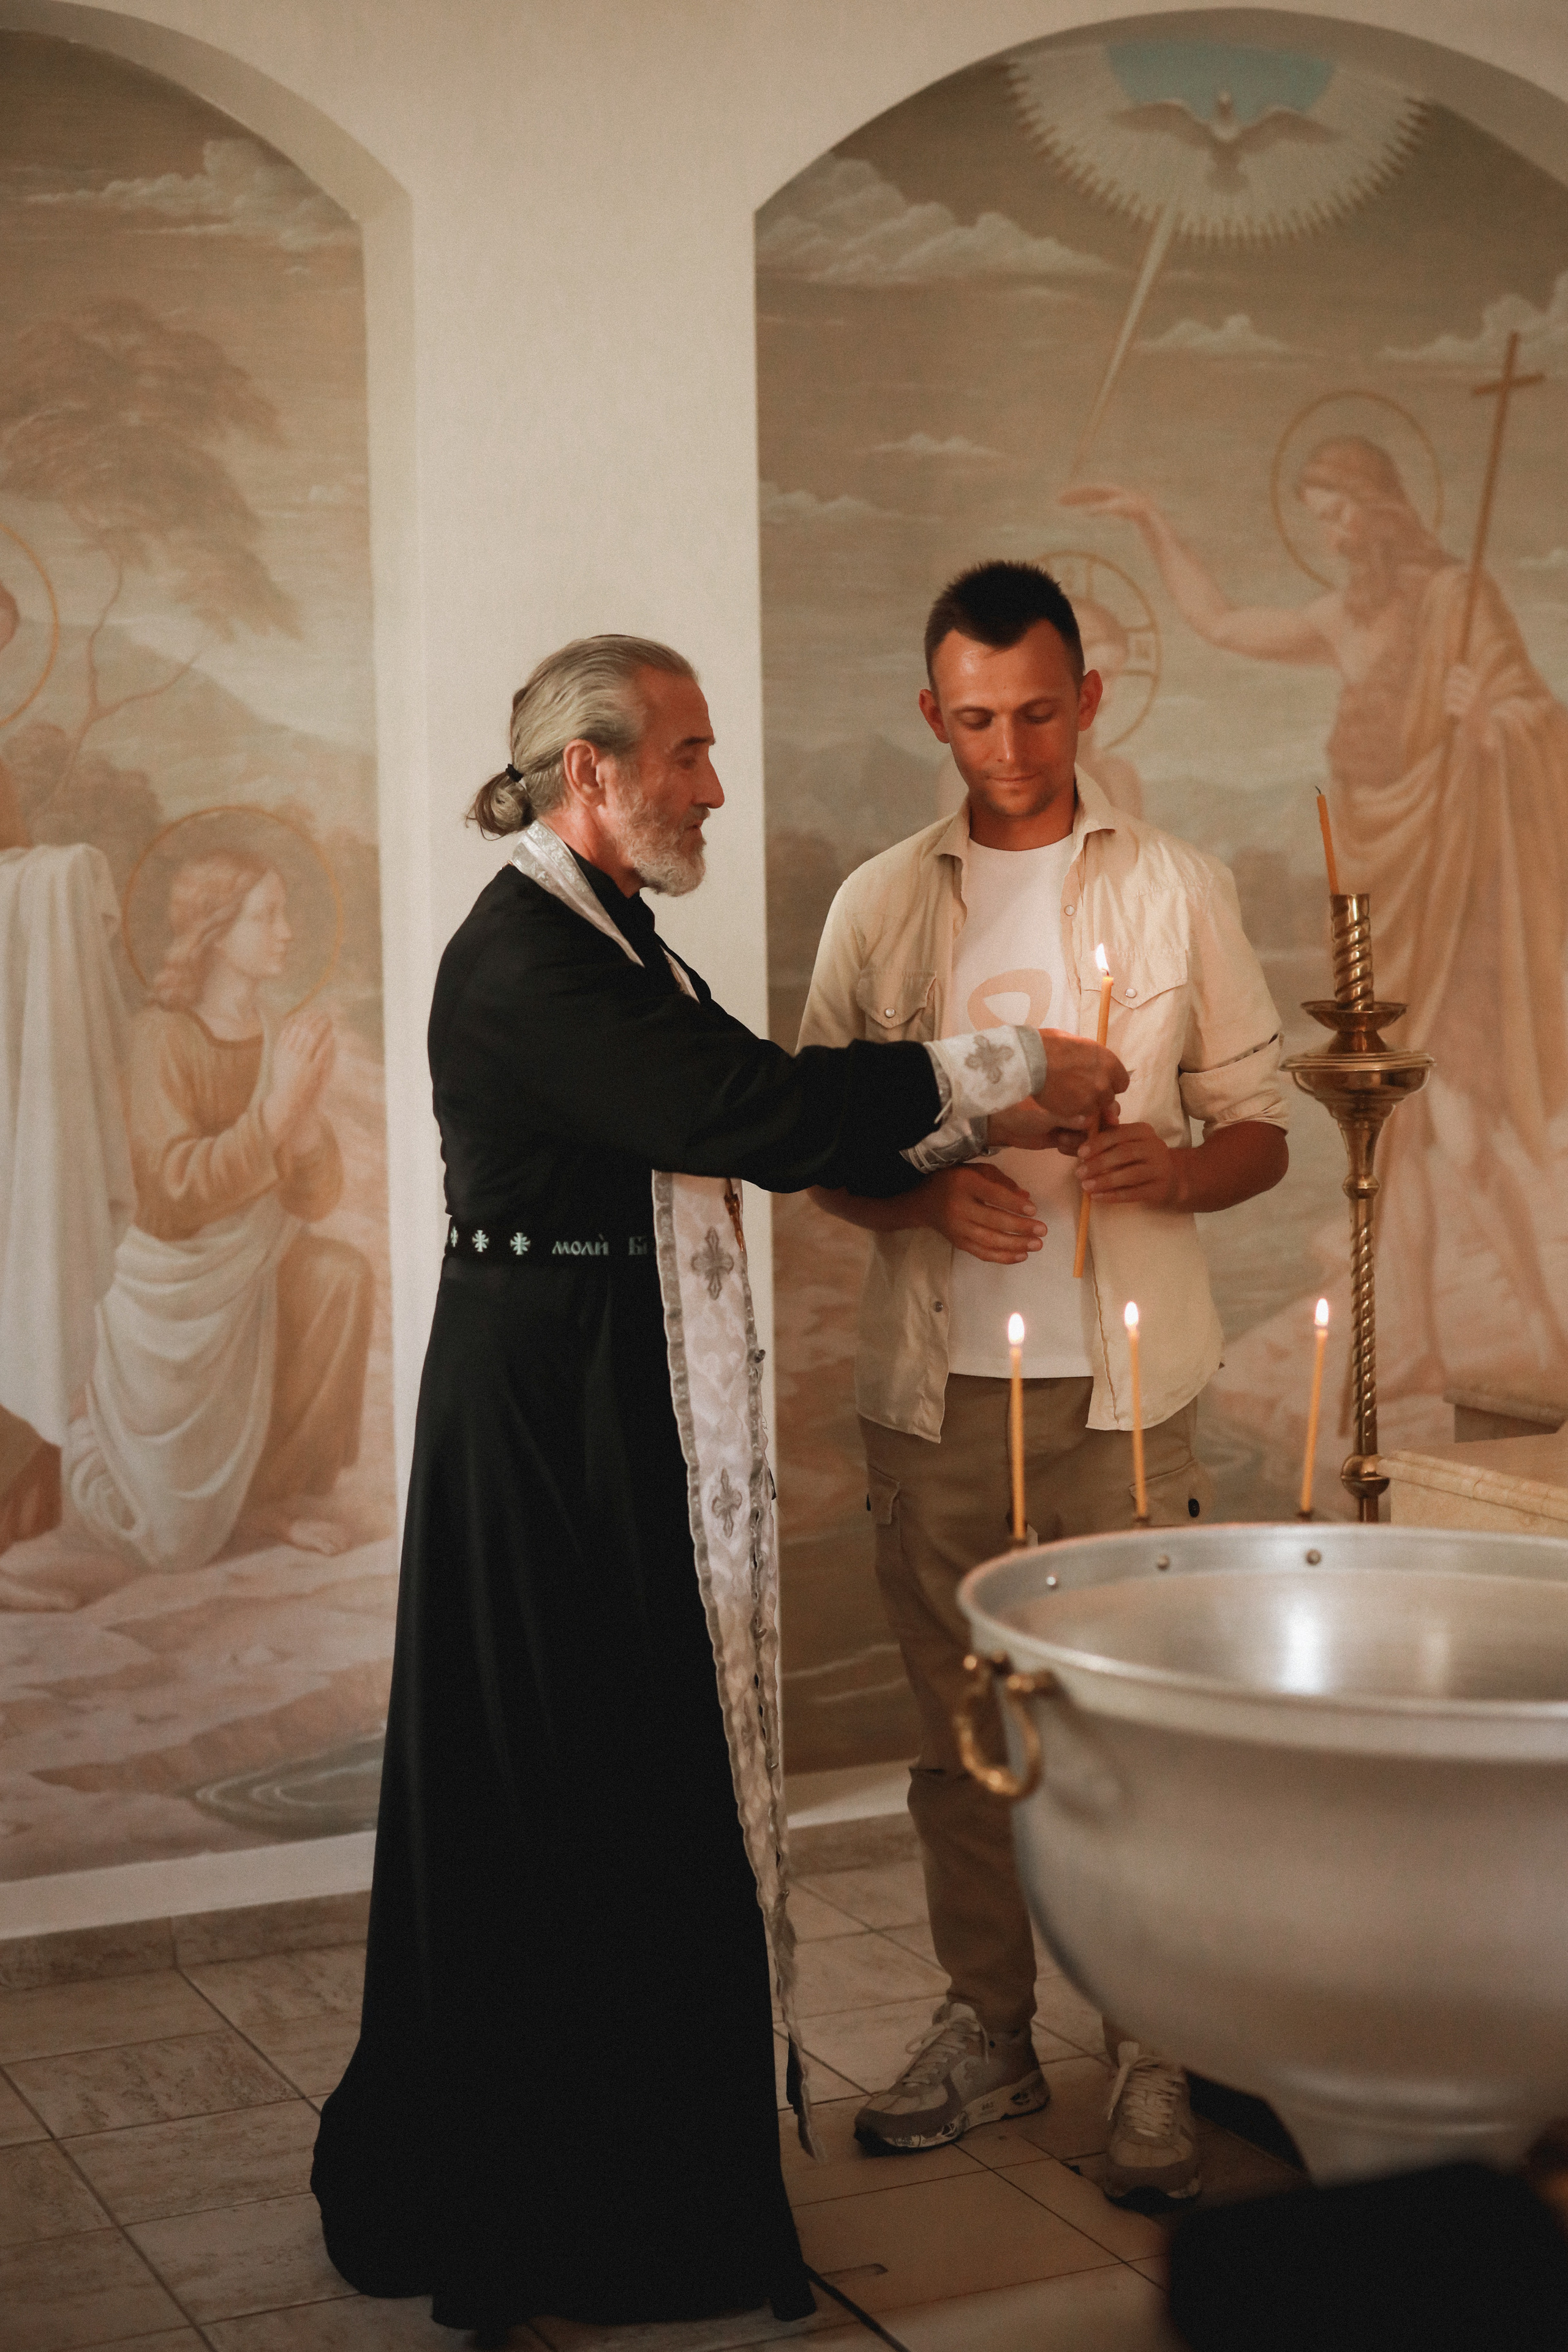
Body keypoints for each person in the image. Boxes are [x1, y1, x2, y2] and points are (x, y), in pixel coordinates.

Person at [309, 632, 1126, 2339]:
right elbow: (744, 1104)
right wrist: (997, 1075)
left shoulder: (606, 933)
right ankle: (564, 2213)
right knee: (575, 1785)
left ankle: (635, 2178)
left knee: (621, 1784)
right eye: (684, 754)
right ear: (589, 772)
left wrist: (950, 1124)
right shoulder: (528, 956)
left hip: (587, 1387)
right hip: (552, 1421)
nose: (714, 787)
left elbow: (749, 1104)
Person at [797, 561, 1289, 2203]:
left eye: (1038, 711)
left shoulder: (1176, 885)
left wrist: (1183, 1173)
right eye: (975, 718)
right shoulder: (879, 905)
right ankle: (990, 2030)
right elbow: (820, 1146)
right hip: (940, 1396)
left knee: (1134, 1736)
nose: (1007, 749)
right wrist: (928, 1195)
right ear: (931, 713)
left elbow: (1265, 1122)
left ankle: (1152, 2055)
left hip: (1132, 1395)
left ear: (1090, 699)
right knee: (963, 1736)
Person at [1063, 443, 1568, 1419]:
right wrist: (1150, 520)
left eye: (1344, 509)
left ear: (1386, 506)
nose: (1334, 531)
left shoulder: (1458, 596)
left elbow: (1537, 719)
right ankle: (1417, 1344)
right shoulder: (1345, 618)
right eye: (1321, 513)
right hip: (1385, 883)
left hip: (1454, 880)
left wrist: (1490, 718)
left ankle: (1543, 1335)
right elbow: (1220, 623)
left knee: (1461, 1124)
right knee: (1409, 1140)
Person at [65, 849, 372, 1570]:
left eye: (286, 914)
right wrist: (275, 1115)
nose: (287, 931)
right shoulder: (161, 1037)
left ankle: (275, 1496)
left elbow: (319, 1197)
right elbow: (176, 1191)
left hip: (249, 1257)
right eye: (266, 916)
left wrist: (297, 1127)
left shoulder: (274, 1037)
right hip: (169, 1279)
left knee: (341, 1278)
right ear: (214, 931)